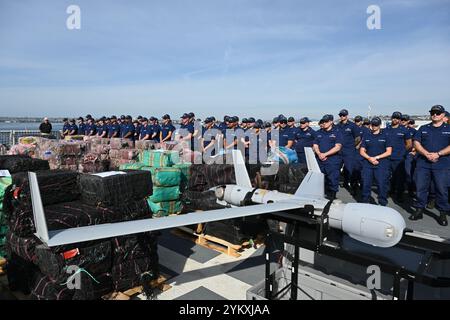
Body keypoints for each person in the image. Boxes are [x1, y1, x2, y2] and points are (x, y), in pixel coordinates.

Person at [409, 105, 450, 226]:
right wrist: (426, 154)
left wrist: (438, 154)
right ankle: (419, 210)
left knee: (441, 189)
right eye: (433, 112)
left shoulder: (448, 128)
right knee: (421, 188)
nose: (435, 115)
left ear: (443, 115)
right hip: (423, 163)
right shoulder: (423, 128)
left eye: (437, 113)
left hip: (441, 164)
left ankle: (442, 213)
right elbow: (416, 142)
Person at [359, 117, 392, 206]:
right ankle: (365, 202)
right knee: (366, 184)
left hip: (381, 164)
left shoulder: (385, 136)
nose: (374, 126)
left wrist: (376, 158)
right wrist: (370, 158)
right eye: (372, 124)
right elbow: (362, 151)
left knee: (381, 184)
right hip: (368, 163)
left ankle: (382, 203)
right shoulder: (367, 136)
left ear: (380, 125)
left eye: (376, 125)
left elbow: (389, 152)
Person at [313, 114, 343, 200]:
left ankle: (332, 197)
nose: (324, 123)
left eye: (326, 121)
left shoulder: (337, 132)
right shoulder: (319, 132)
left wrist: (325, 154)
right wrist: (319, 154)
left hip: (332, 160)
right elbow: (315, 145)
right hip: (320, 159)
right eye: (323, 121)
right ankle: (321, 195)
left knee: (333, 178)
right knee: (320, 179)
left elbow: (338, 147)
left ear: (331, 122)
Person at [385, 111, 412, 201]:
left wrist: (403, 152)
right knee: (387, 176)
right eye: (394, 117)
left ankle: (400, 194)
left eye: (397, 118)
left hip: (399, 158)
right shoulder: (386, 129)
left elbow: (409, 144)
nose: (395, 119)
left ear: (400, 120)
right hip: (387, 157)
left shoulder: (404, 130)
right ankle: (390, 191)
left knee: (400, 177)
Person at [336, 109, 361, 193]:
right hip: (339, 151)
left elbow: (357, 138)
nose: (342, 117)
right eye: (340, 115)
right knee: (337, 168)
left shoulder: (353, 126)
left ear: (347, 116)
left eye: (343, 115)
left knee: (350, 169)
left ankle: (354, 188)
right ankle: (342, 184)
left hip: (349, 151)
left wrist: (351, 146)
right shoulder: (337, 126)